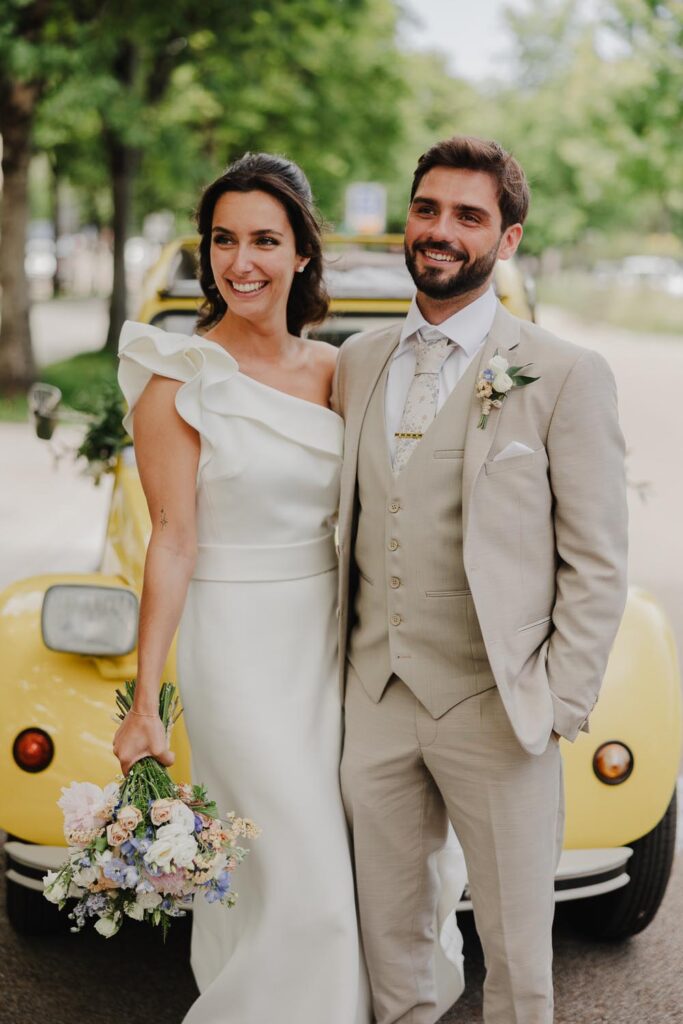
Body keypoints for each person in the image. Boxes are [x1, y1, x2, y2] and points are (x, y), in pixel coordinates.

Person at [112, 152, 465, 1024]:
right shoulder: (176, 378)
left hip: (328, 640)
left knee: (335, 859)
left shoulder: (336, 372)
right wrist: (145, 699)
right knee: (302, 872)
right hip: (232, 643)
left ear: (302, 253)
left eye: (265, 239)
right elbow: (173, 540)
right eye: (224, 240)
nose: (242, 261)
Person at [334, 135, 628, 1024]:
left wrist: (555, 704)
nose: (441, 230)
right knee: (391, 947)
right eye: (427, 210)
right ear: (406, 224)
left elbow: (597, 559)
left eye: (468, 215)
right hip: (374, 699)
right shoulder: (356, 361)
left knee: (518, 959)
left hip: (499, 706)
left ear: (506, 239)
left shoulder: (563, 373)